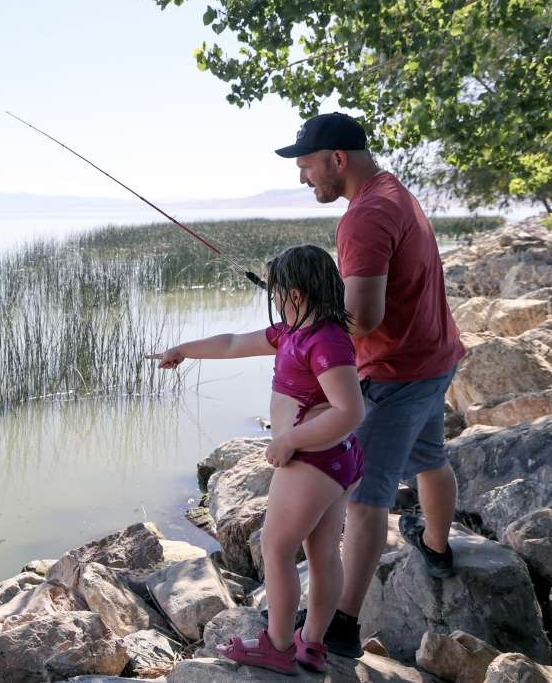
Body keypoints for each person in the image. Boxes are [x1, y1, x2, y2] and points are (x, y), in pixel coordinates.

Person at [273, 112, 466, 657]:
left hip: (396, 374)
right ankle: (436, 547)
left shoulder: (363, 217)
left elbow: (363, 319)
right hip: (434, 357)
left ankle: (341, 624)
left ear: (338, 159)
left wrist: (306, 329)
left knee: (365, 499)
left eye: (307, 165)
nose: (303, 177)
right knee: (430, 456)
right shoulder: (393, 192)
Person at [150, 245, 366, 675]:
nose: (274, 299)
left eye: (277, 291)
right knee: (322, 553)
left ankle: (278, 645)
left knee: (275, 548)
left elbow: (350, 410)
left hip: (313, 460)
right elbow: (231, 343)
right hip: (335, 462)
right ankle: (313, 644)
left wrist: (290, 440)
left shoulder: (324, 342)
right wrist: (182, 348)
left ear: (298, 294)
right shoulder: (292, 333)